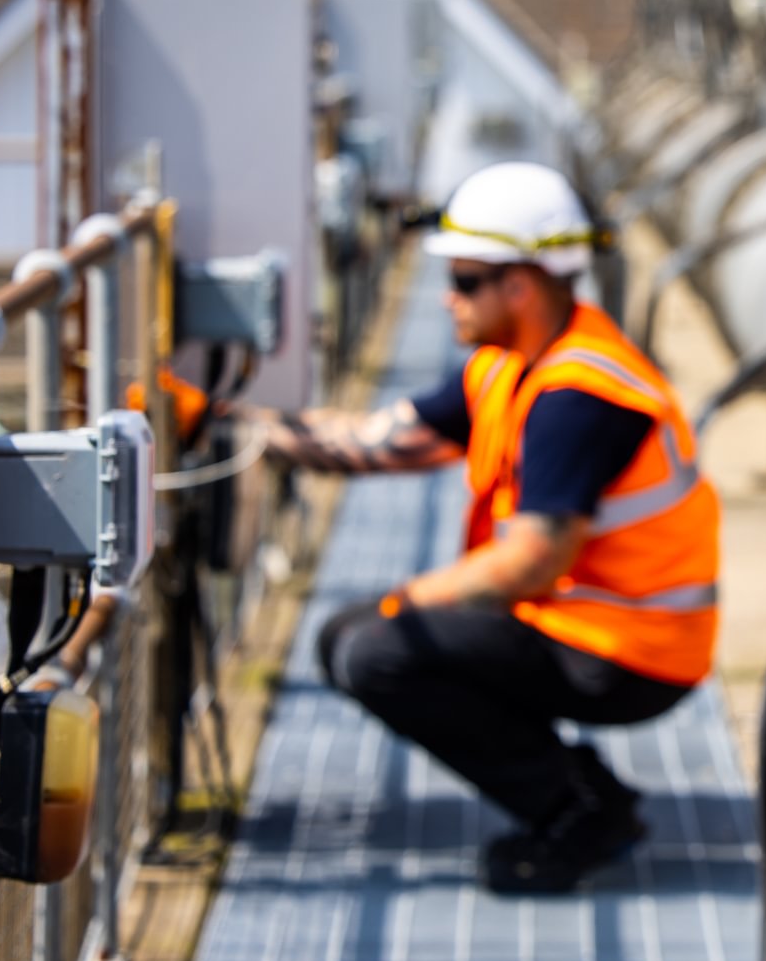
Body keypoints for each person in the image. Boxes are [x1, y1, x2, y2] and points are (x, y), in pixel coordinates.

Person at [260, 161, 720, 894]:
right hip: (578, 622)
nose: (448, 298)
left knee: (379, 651)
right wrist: (231, 427)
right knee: (345, 638)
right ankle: (583, 788)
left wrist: (407, 604)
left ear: (521, 283)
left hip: (628, 650)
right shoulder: (509, 365)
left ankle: (576, 813)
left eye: (466, 279)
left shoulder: (580, 391)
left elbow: (534, 558)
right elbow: (384, 439)